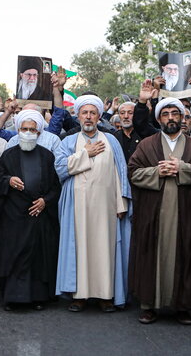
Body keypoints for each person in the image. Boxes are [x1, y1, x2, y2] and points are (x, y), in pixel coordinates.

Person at [128, 97, 191, 325]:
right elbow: (133, 173)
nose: (170, 118)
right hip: (153, 216)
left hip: (186, 215)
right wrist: (158, 173)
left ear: (182, 117)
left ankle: (183, 307)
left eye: (175, 113)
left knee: (186, 256)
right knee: (150, 257)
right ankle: (149, 306)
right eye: (165, 114)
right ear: (158, 119)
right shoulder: (147, 145)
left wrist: (183, 168)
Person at [54, 95, 132, 313]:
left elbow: (120, 173)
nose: (88, 117)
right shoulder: (68, 141)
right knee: (79, 249)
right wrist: (85, 154)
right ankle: (79, 296)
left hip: (106, 208)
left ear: (99, 116)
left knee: (104, 250)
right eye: (84, 113)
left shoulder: (111, 140)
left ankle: (106, 296)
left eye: (92, 113)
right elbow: (60, 168)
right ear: (78, 116)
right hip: (77, 207)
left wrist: (121, 203)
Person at [0, 109, 61, 310]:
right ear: (18, 130)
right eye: (24, 129)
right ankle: (13, 299)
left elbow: (55, 187)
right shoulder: (8, 155)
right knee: (14, 256)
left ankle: (38, 298)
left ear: (39, 133)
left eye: (32, 129)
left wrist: (44, 201)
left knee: (38, 258)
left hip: (39, 216)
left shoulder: (47, 156)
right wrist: (8, 180)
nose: (28, 132)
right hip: (14, 217)